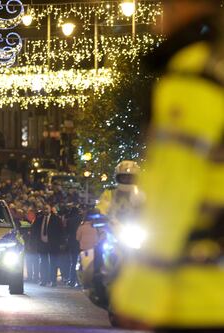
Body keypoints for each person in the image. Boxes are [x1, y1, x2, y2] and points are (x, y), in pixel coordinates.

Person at [111, 1, 224, 331]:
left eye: (166, 8)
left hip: (198, 292)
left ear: (188, 7)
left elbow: (174, 191)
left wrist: (138, 295)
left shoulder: (191, 79)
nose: (158, 21)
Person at [31, 205, 52, 286]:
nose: (45, 210)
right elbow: (34, 231)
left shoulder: (55, 219)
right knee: (43, 262)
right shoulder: (39, 219)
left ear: (50, 209)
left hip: (51, 244)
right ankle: (44, 279)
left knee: (51, 262)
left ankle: (51, 279)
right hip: (42, 244)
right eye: (44, 209)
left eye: (47, 208)